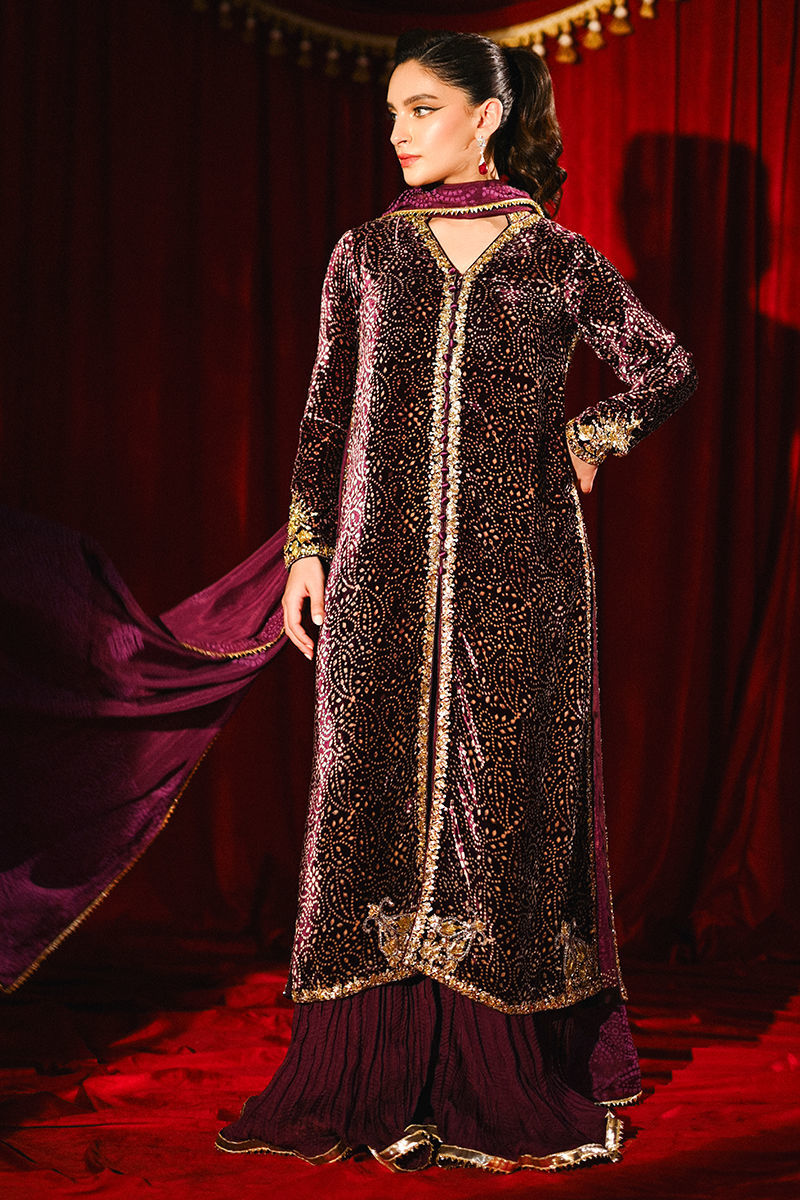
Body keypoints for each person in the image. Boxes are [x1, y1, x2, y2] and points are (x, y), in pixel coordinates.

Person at [213, 28, 698, 1175]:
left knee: (505, 815)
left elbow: (662, 367)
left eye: (421, 108)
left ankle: (494, 1077)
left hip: (521, 580)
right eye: (391, 111)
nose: (397, 132)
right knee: (368, 805)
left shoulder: (555, 258)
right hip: (377, 575)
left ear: (486, 114)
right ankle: (374, 1076)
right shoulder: (365, 254)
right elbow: (326, 406)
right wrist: (306, 546)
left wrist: (587, 437)